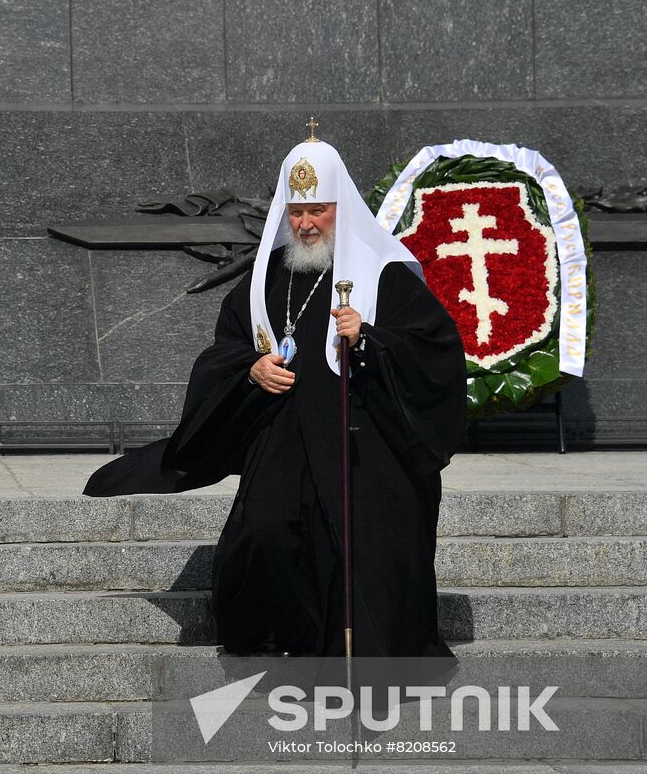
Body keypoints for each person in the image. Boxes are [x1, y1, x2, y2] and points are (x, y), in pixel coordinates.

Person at [86, 132, 465, 661]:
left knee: (362, 551)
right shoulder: (265, 278)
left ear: (343, 209)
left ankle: (358, 660)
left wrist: (371, 341)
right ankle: (290, 639)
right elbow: (227, 348)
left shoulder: (387, 275)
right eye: (296, 212)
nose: (306, 224)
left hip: (363, 444)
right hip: (283, 438)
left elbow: (437, 356)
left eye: (318, 210)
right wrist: (252, 368)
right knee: (266, 534)